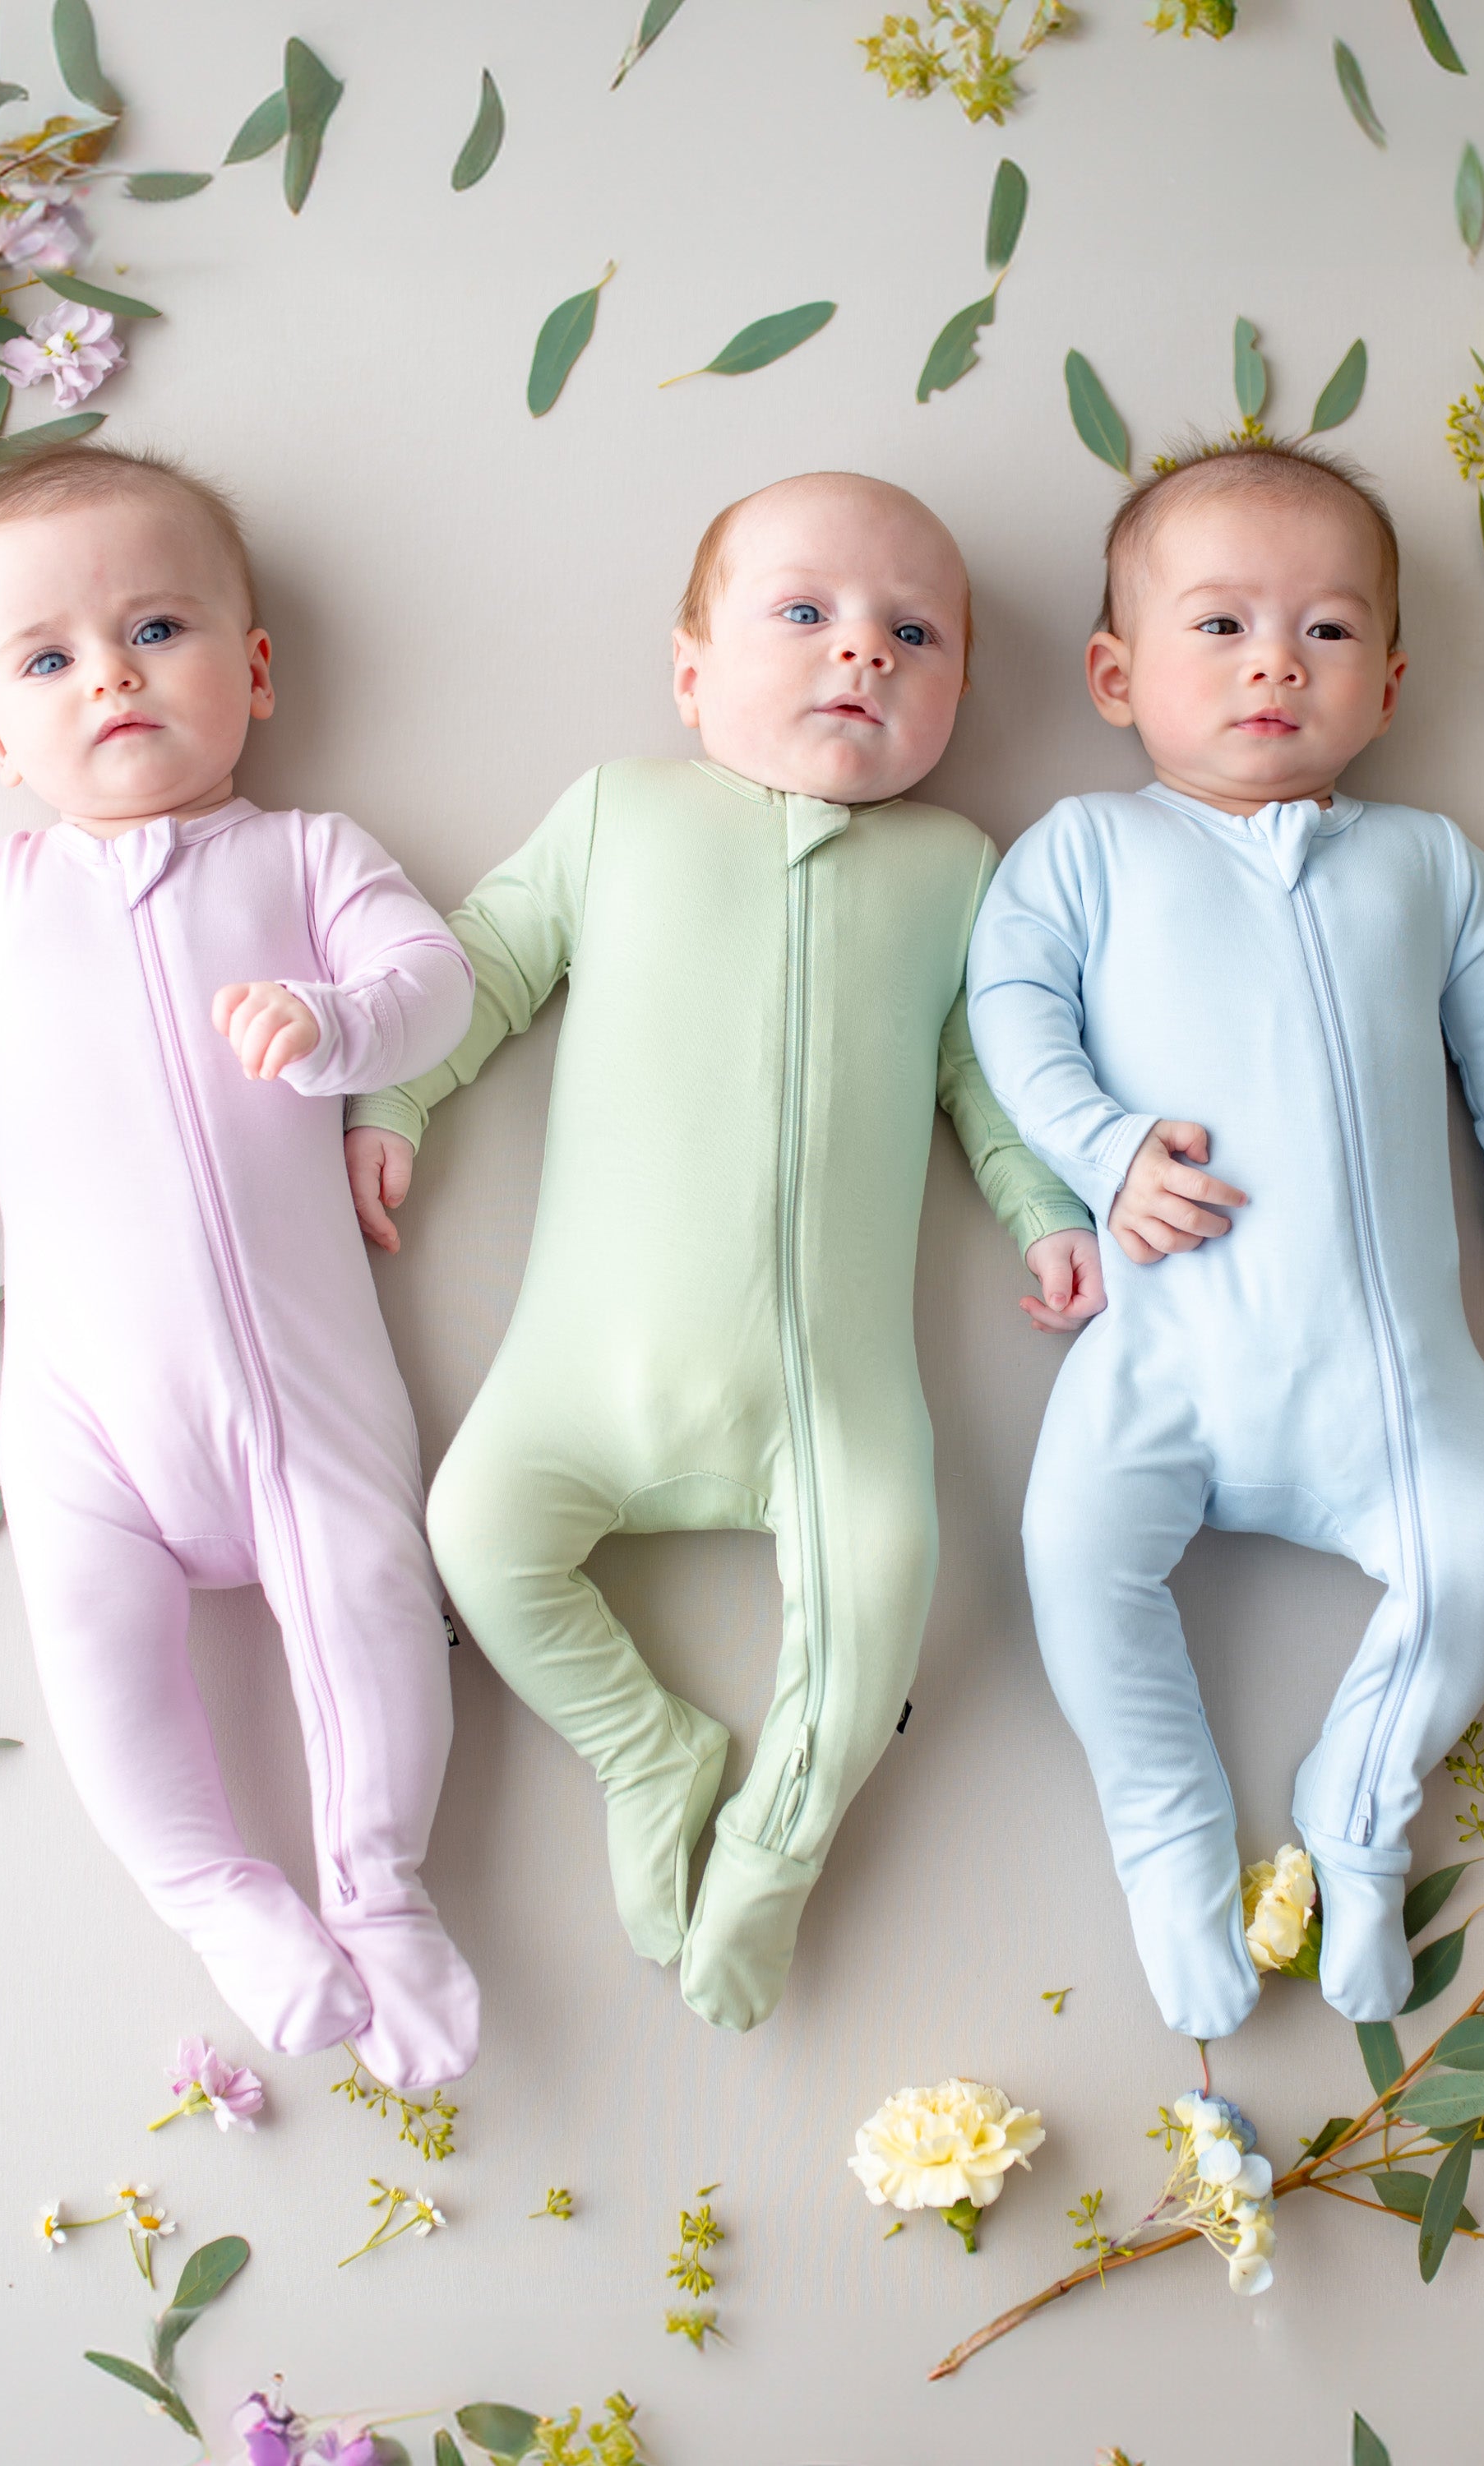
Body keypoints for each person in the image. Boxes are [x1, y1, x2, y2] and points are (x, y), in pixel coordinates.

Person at [345, 471, 1102, 2032]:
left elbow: (988, 1076)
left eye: (916, 634)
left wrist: (1042, 1212)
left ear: (958, 691)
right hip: (581, 1371)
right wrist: (398, 1096)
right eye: (807, 614)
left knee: (893, 1580)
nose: (865, 654)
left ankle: (773, 1848)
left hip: (830, 1391)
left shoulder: (957, 870)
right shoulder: (620, 811)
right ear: (691, 671)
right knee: (475, 1533)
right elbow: (483, 963)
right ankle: (649, 1747)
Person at [0, 444, 479, 2083]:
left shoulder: (302, 858)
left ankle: (379, 1892)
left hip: (301, 1391)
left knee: (376, 1599)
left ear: (252, 670)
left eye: (155, 629)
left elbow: (428, 978)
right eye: (48, 660)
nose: (108, 674)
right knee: (92, 1649)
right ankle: (215, 1893)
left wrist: (334, 1026)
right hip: (86, 1407)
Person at [967, 438, 1484, 2041]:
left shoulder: (1429, 864)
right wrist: (1106, 1153)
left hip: (1395, 1378)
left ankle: (1360, 1811)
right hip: (1166, 1349)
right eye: (1222, 627)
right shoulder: (1085, 850)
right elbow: (1009, 1011)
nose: (1277, 660)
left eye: (1327, 631)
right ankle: (1169, 1829)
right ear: (1116, 673)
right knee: (1069, 1561)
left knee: (1480, 1554)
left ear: (1388, 683)